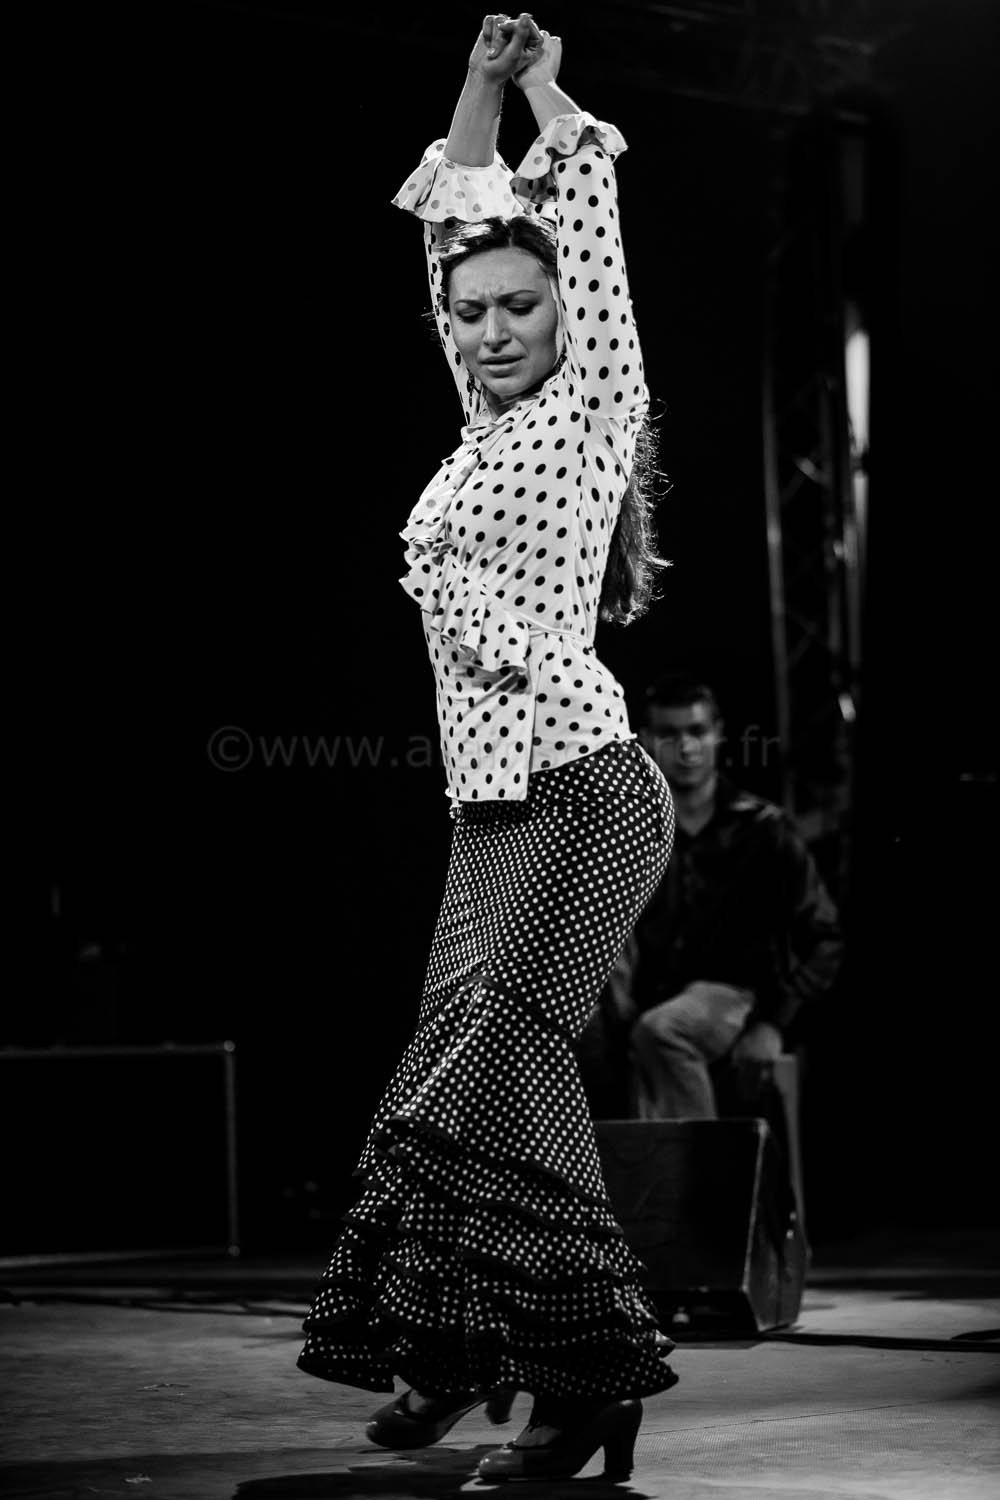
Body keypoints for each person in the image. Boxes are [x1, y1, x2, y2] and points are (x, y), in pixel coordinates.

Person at [296, 12, 678, 1485]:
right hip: (491, 809)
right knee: (454, 1071)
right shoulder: (476, 434)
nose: (497, 328)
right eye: (473, 313)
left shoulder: (592, 408)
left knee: (497, 1057)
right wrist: (472, 87)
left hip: (585, 790)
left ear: (568, 314)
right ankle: (459, 1351)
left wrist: (544, 92)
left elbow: (584, 223)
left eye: (523, 304)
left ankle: (586, 1379)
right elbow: (448, 220)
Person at [577, 673, 842, 1122]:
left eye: (697, 731)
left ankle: (698, 1163)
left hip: (735, 1000)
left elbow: (823, 937)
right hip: (643, 1005)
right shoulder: (625, 835)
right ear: (645, 740)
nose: (686, 747)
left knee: (663, 1031)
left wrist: (772, 1024)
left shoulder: (763, 830)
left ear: (718, 734)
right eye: (669, 733)